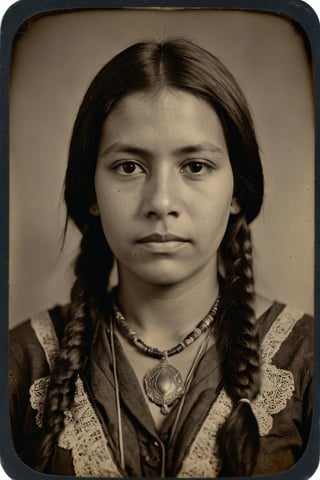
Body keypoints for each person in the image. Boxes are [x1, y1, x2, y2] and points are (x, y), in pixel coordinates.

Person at [9, 38, 313, 478]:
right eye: (129, 167)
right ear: (91, 191)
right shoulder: (20, 360)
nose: (161, 202)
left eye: (195, 166)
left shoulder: (305, 359)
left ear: (236, 191)